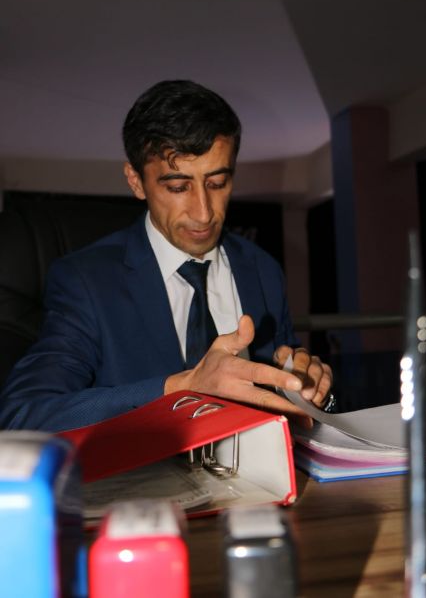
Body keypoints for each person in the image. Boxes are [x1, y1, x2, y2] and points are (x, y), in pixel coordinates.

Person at [0, 80, 333, 432]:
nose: (204, 213)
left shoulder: (263, 269)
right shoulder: (85, 282)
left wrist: (306, 388)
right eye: (178, 187)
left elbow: (286, 392)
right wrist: (182, 388)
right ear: (136, 181)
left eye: (217, 183)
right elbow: (23, 413)